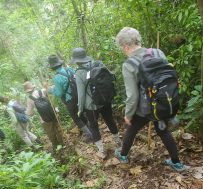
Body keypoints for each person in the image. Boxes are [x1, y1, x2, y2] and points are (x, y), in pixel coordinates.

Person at [115, 27, 189, 171]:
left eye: (122, 48)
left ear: (125, 46)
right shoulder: (157, 52)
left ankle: (123, 155)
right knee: (163, 131)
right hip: (162, 103)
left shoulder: (128, 65)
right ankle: (177, 163)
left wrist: (128, 115)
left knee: (131, 129)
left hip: (145, 109)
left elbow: (132, 96)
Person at [71, 47, 122, 159]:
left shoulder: (79, 73)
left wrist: (80, 109)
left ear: (77, 60)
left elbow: (81, 94)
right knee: (110, 120)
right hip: (105, 100)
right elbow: (111, 76)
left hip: (91, 105)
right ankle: (119, 142)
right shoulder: (98, 63)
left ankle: (102, 151)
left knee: (94, 126)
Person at [46, 54, 93, 142]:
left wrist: (50, 90)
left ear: (52, 67)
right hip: (79, 95)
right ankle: (92, 130)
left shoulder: (56, 78)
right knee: (82, 113)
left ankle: (89, 135)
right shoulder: (69, 69)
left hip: (70, 100)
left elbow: (59, 93)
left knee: (76, 118)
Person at [23, 81, 64, 149]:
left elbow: (30, 113)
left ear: (27, 91)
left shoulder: (29, 99)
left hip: (44, 119)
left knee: (51, 133)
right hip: (53, 113)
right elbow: (52, 90)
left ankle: (56, 146)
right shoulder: (42, 91)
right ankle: (62, 143)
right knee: (58, 128)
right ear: (33, 87)